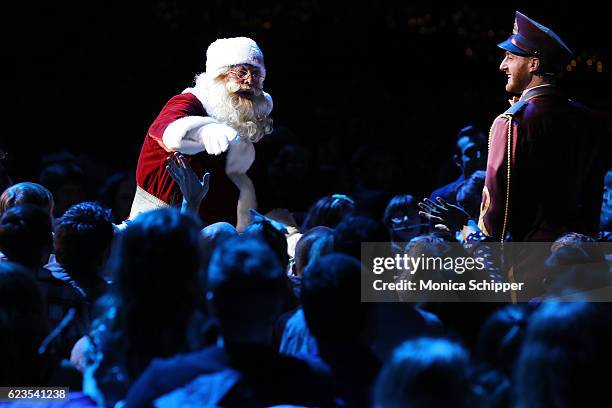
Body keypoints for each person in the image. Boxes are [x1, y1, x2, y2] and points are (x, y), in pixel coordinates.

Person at [477, 11, 607, 242]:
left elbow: (496, 206)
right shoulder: (590, 119)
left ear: (533, 64)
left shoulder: (512, 122)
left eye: (510, 57)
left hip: (527, 258)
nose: (502, 66)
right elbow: (593, 195)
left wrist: (481, 246)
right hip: (581, 253)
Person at [131, 37, 273, 226]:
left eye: (256, 74)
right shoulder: (189, 102)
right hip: (156, 230)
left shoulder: (245, 120)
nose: (249, 81)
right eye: (241, 73)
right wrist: (202, 131)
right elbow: (165, 132)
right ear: (220, 75)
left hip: (212, 240)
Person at [430, 125, 487, 204]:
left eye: (483, 149)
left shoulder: (501, 186)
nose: (479, 156)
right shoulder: (441, 196)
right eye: (471, 152)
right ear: (458, 160)